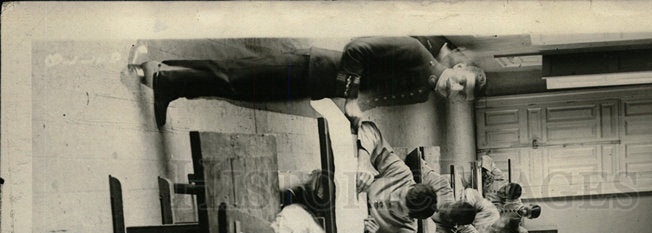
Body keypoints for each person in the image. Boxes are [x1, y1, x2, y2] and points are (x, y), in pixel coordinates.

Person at [133, 36, 487, 128]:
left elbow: (372, 98)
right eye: (459, 82)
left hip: (316, 88)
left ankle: (168, 76)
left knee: (238, 82)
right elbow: (357, 47)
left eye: (461, 96)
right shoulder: (413, 52)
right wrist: (348, 97)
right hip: (313, 67)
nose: (454, 91)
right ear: (456, 66)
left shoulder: (422, 94)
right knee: (235, 77)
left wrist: (357, 116)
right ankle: (168, 82)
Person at [354, 120, 439, 233]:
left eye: (399, 208)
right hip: (344, 190)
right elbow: (370, 130)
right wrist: (364, 165)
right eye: (400, 195)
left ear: (410, 217)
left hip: (349, 232)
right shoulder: (403, 174)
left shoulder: (407, 231)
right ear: (411, 185)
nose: (391, 201)